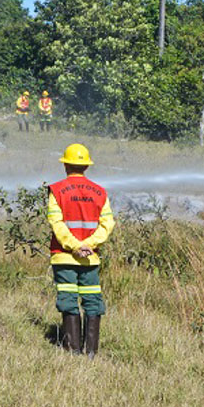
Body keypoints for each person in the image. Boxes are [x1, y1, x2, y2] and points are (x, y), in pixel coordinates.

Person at [47, 143, 115, 358]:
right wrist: (89, 245)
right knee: (92, 302)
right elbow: (108, 224)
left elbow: (56, 224)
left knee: (68, 299)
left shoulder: (56, 190)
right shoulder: (100, 192)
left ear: (65, 165)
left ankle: (72, 351)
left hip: (64, 257)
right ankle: (91, 352)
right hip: (89, 259)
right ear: (86, 166)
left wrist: (74, 246)